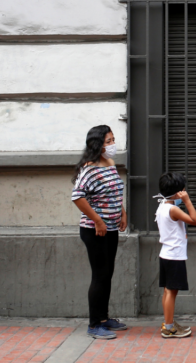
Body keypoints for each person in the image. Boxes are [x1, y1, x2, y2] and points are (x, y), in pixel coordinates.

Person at [71, 125, 128, 340]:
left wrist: (122, 213)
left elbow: (115, 192)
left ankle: (104, 319)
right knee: (100, 275)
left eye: (113, 140)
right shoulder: (90, 168)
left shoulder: (110, 164)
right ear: (98, 145)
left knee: (108, 274)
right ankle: (94, 325)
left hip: (111, 228)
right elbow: (77, 197)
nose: (113, 145)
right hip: (94, 231)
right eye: (108, 141)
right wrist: (98, 221)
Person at [154, 172, 196, 339]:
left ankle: (168, 322)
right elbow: (194, 220)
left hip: (166, 253)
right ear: (178, 192)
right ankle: (169, 328)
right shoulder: (173, 209)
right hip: (174, 256)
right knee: (172, 292)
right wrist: (187, 201)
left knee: (167, 291)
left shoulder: (162, 206)